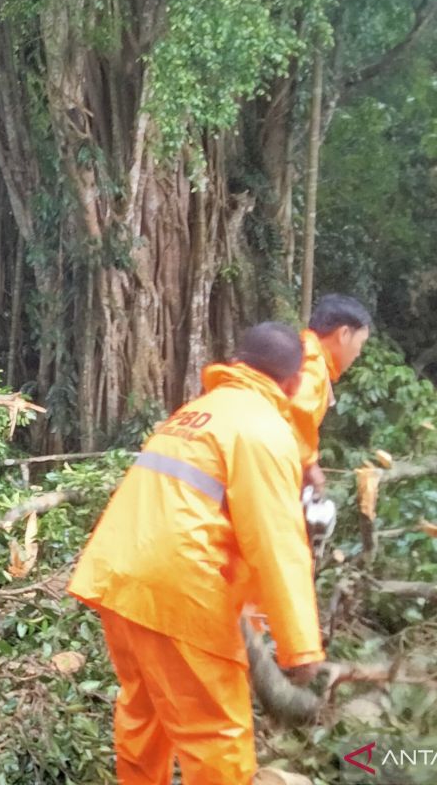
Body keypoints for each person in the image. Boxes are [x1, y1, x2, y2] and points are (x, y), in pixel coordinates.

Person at [68, 322, 325, 784]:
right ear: (291, 383)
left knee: (144, 720)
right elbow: (276, 541)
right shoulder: (264, 429)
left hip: (122, 581)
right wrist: (300, 646)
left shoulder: (195, 413)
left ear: (238, 362)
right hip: (181, 592)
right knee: (215, 737)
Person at [292, 294, 372, 495]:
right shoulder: (312, 364)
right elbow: (293, 413)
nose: (358, 353)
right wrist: (309, 463)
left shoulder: (302, 351)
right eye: (360, 343)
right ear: (344, 334)